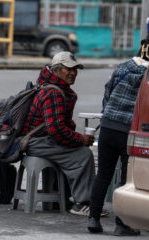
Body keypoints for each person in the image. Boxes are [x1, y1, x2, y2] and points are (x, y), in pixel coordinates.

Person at [22, 51, 97, 216]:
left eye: (75, 69)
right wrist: (80, 139)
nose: (72, 73)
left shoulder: (53, 87)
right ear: (56, 70)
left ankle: (59, 200)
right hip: (38, 142)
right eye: (68, 69)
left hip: (40, 140)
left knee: (74, 150)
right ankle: (82, 203)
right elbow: (56, 130)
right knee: (84, 155)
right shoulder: (53, 92)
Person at [87, 39, 149, 236]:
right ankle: (121, 224)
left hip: (108, 126)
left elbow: (107, 93)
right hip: (129, 132)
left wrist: (109, 115)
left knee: (103, 174)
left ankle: (93, 218)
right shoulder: (147, 75)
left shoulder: (123, 67)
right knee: (126, 178)